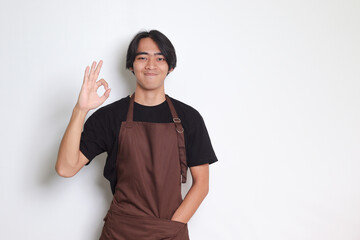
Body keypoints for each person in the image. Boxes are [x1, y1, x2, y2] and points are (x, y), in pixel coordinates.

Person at [56, 29, 218, 239]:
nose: (151, 65)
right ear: (131, 65)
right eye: (143, 57)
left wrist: (170, 228)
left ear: (170, 66)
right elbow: (65, 168)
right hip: (121, 232)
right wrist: (81, 110)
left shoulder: (189, 118)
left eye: (160, 58)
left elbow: (202, 184)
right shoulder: (109, 117)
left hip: (169, 231)